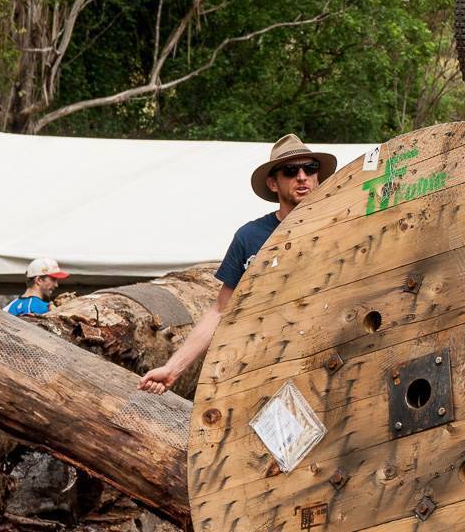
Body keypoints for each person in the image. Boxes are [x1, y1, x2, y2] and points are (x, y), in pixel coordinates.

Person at [138, 135, 336, 394]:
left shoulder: (340, 226)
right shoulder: (250, 237)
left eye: (310, 168)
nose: (301, 177)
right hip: (266, 372)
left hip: (330, 366)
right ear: (273, 183)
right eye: (290, 170)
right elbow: (220, 311)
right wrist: (173, 368)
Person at [4, 257, 69, 316]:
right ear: (39, 280)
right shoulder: (44, 309)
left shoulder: (9, 307)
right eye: (53, 279)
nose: (56, 285)